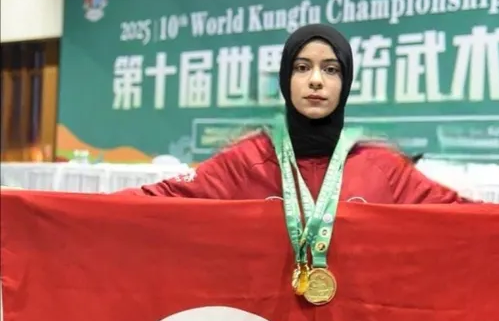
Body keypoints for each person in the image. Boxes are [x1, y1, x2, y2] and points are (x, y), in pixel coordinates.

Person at [122, 24, 468, 205]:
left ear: (346, 83)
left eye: (331, 69)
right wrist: (85, 210)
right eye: (302, 67)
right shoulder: (245, 161)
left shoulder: (384, 168)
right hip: (266, 319)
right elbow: (159, 199)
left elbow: (464, 214)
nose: (316, 80)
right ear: (286, 79)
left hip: (355, 320)